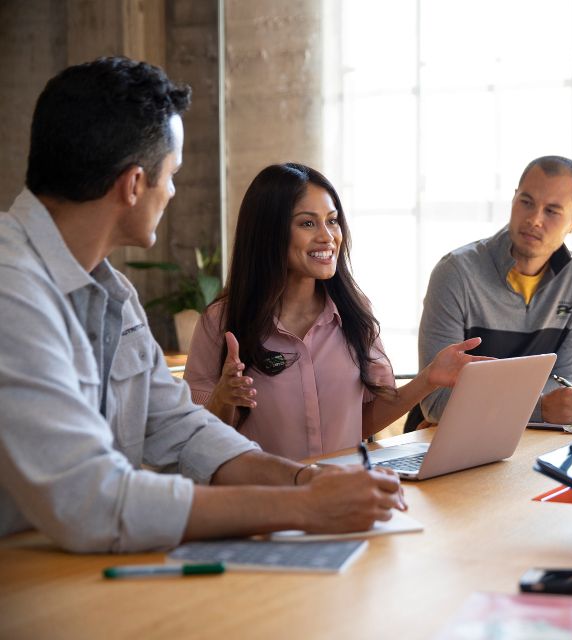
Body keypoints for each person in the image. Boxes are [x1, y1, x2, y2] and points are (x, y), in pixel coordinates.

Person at [0, 57, 404, 554]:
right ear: (132, 185)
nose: (171, 192)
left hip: (76, 573)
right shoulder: (11, 291)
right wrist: (305, 508)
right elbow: (91, 499)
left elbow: (184, 430)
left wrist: (305, 482)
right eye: (171, 175)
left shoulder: (115, 296)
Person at [183, 163, 486, 460]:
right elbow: (196, 441)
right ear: (268, 232)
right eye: (307, 223)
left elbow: (362, 421)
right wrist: (223, 401)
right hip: (265, 501)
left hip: (341, 496)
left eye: (332, 220)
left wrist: (429, 379)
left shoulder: (354, 312)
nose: (328, 236)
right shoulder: (220, 322)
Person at [413, 155, 572, 430]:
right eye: (526, 202)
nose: (534, 219)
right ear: (513, 200)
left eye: (552, 211)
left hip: (529, 438)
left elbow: (567, 389)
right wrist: (540, 408)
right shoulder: (456, 273)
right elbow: (436, 401)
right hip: (441, 437)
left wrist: (542, 407)